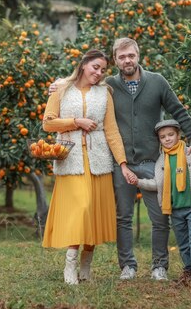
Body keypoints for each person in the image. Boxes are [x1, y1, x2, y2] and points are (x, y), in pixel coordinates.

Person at [51, 38, 191, 281]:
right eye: (121, 57)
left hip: (154, 161)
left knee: (160, 216)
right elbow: (80, 82)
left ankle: (159, 266)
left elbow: (179, 111)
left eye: (131, 55)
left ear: (138, 55)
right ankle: (127, 266)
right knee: (123, 217)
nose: (127, 60)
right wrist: (58, 84)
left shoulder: (156, 81)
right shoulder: (108, 85)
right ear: (116, 60)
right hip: (120, 164)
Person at [41, 49, 136, 285]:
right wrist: (76, 122)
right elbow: (47, 123)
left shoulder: (105, 93)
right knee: (81, 210)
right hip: (70, 160)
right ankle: (70, 265)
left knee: (93, 214)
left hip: (99, 161)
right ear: (83, 64)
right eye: (95, 67)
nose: (99, 73)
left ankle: (86, 268)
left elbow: (111, 131)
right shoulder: (61, 89)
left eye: (103, 70)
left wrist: (122, 163)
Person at [132, 119, 191, 286]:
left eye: (170, 135)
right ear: (159, 140)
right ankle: (189, 269)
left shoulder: (190, 153)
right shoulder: (161, 161)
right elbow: (157, 184)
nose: (167, 139)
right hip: (175, 208)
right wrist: (138, 182)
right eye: (163, 137)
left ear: (178, 135)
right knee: (183, 242)